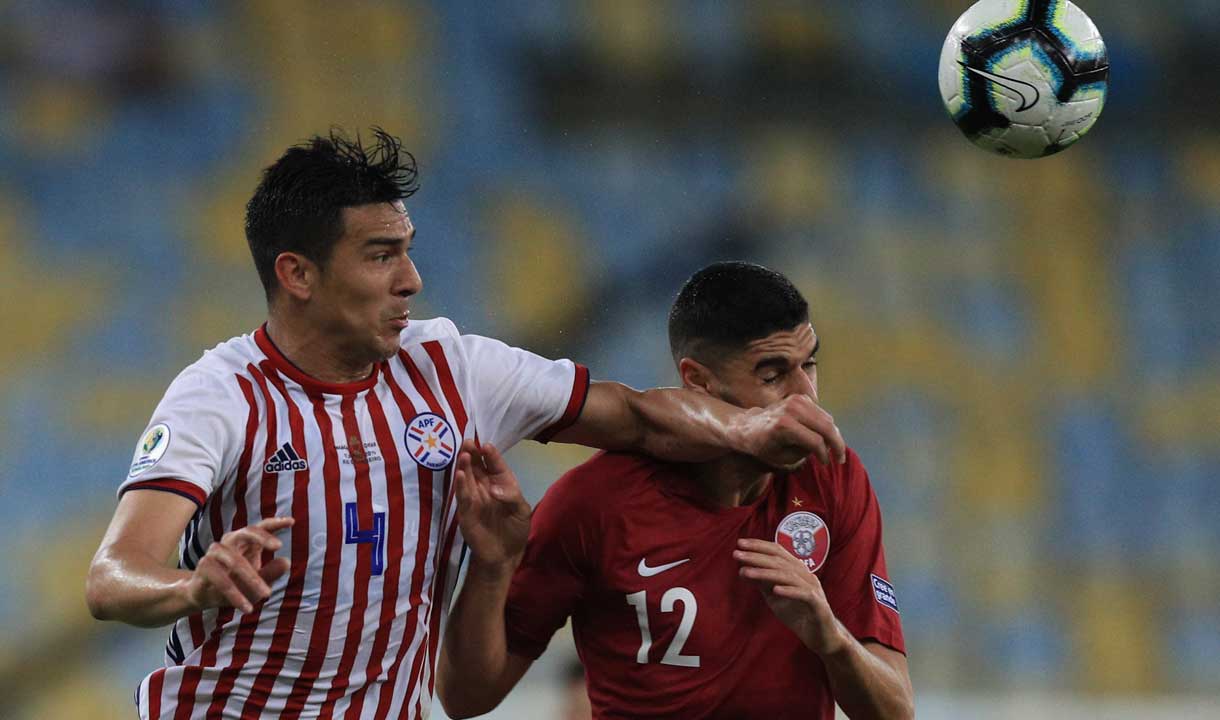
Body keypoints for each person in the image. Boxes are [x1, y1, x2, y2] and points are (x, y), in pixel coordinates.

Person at [83, 131, 846, 719]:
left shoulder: (453, 368)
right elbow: (113, 577)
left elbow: (640, 416)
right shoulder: (219, 397)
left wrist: (746, 431)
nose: (410, 278)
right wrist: (194, 586)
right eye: (381, 256)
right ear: (298, 275)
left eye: (407, 251)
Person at [437, 261, 913, 719]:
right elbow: (465, 697)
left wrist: (830, 636)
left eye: (808, 366)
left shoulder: (834, 479)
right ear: (697, 381)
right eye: (772, 376)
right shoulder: (595, 503)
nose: (805, 398)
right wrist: (493, 566)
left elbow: (895, 712)